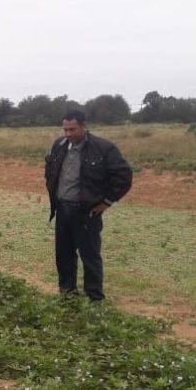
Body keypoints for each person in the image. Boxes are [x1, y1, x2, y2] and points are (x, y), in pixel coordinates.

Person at [44, 109, 132, 301]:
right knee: (64, 255)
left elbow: (124, 176)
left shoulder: (103, 148)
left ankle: (94, 299)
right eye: (65, 129)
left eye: (72, 129)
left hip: (86, 212)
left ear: (83, 126)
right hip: (62, 209)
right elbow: (50, 168)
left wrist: (107, 201)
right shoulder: (58, 145)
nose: (68, 134)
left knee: (90, 257)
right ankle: (67, 295)